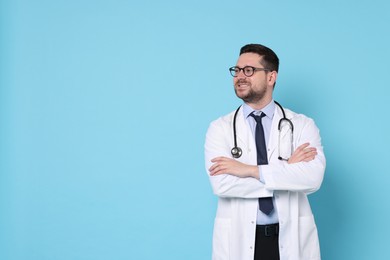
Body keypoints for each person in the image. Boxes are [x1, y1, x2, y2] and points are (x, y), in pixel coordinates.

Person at [204, 43, 326, 260]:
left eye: (249, 70)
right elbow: (222, 184)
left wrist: (248, 170)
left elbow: (312, 178)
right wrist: (287, 171)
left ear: (271, 77)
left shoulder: (302, 125)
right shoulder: (219, 128)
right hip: (239, 241)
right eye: (237, 70)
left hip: (290, 238)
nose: (240, 76)